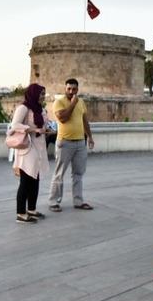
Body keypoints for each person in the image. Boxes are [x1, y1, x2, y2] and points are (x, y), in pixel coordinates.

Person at [47, 78, 95, 212]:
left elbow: (84, 121)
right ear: (65, 88)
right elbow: (62, 118)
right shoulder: (59, 102)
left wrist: (90, 137)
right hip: (65, 143)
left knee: (78, 173)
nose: (71, 91)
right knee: (59, 173)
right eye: (69, 89)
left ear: (77, 90)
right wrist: (73, 104)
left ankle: (78, 201)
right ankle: (53, 202)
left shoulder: (81, 102)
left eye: (74, 89)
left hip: (80, 142)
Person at [9, 84, 53, 224]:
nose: (43, 96)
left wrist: (47, 129)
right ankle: (21, 213)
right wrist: (32, 130)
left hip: (39, 147)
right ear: (33, 94)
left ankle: (32, 209)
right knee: (25, 181)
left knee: (35, 179)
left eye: (44, 94)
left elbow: (43, 126)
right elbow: (15, 125)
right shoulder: (24, 108)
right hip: (27, 147)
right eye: (41, 94)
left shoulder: (40, 109)